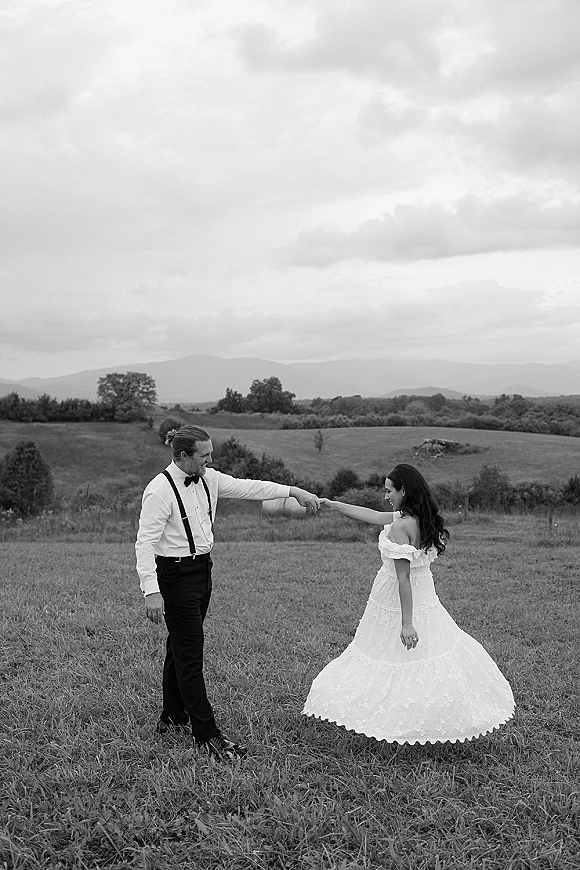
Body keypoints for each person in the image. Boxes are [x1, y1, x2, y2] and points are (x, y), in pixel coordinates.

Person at [136, 424, 320, 760]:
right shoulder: (159, 491)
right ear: (182, 455)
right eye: (204, 455)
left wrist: (292, 490)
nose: (210, 460)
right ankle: (207, 736)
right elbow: (145, 543)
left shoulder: (210, 478)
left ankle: (172, 718)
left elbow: (251, 488)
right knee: (190, 654)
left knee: (178, 646)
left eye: (210, 454)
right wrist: (151, 591)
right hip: (173, 575)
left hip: (202, 570)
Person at [303, 464, 515, 745]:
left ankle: (393, 717)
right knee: (423, 653)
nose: (386, 496)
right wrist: (334, 504)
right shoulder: (419, 518)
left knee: (386, 653)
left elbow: (403, 579)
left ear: (404, 490)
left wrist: (406, 622)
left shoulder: (402, 526)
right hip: (424, 593)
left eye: (390, 491)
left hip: (398, 595)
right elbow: (374, 515)